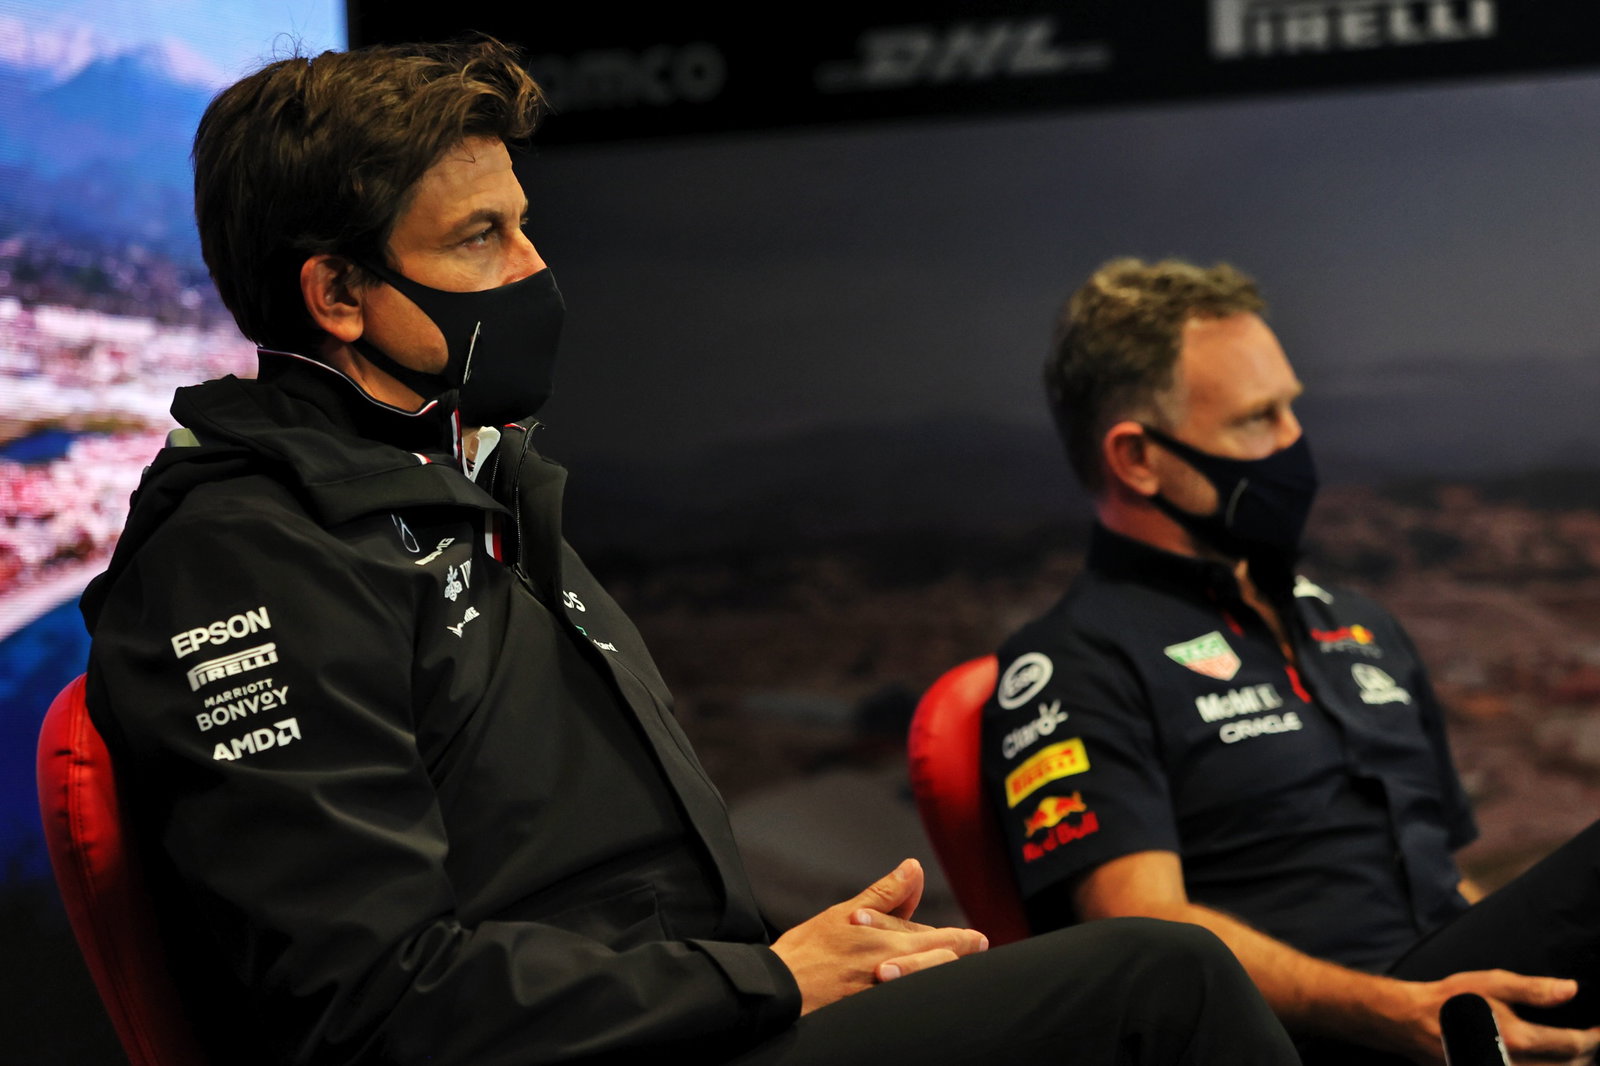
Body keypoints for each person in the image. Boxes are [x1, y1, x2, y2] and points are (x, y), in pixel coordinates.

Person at [76, 43, 1298, 1066]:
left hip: (688, 1020)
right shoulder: (246, 557)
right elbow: (374, 998)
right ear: (338, 293)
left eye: (524, 224)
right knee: (1162, 985)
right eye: (482, 237)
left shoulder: (465, 488)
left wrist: (796, 964)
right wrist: (764, 981)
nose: (534, 268)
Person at [981, 256, 1600, 1065]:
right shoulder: (1073, 664)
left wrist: (1528, 1010)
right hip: (1307, 1042)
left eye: (1291, 410)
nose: (1294, 443)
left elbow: (1444, 881)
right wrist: (1395, 1011)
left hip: (1450, 1014)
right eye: (1256, 420)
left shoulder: (1359, 623)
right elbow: (1144, 931)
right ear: (1137, 458)